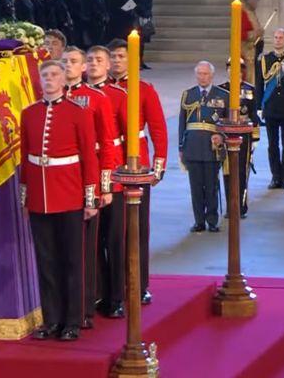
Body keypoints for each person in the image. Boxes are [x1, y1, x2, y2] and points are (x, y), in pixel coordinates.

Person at [20, 60, 99, 342]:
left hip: (69, 194)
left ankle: (72, 321)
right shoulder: (28, 113)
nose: (50, 79)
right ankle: (51, 320)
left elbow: (89, 156)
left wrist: (90, 197)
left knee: (71, 261)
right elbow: (24, 158)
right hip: (40, 198)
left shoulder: (78, 112)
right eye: (45, 75)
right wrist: (26, 195)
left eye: (54, 75)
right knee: (46, 261)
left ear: (64, 80)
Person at [103, 38, 167, 306]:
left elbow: (158, 127)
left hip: (136, 165)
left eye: (121, 56)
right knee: (111, 231)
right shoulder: (100, 89)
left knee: (137, 229)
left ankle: (139, 285)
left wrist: (159, 163)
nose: (117, 61)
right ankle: (110, 287)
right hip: (107, 164)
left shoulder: (143, 89)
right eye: (113, 57)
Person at [62, 47, 118, 329]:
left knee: (88, 247)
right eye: (64, 61)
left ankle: (87, 303)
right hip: (61, 179)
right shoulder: (52, 99)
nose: (68, 66)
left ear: (83, 67)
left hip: (89, 175)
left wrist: (104, 186)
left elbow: (107, 143)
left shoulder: (97, 98)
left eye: (73, 62)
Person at [179, 61, 228, 232]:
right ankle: (199, 220)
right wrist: (181, 147)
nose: (202, 77)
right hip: (192, 146)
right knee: (196, 187)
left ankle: (212, 220)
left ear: (212, 75)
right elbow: (181, 124)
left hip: (211, 147)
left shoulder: (222, 95)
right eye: (199, 73)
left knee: (211, 186)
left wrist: (221, 137)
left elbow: (227, 123)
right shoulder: (188, 95)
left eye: (205, 74)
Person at [256, 28, 284, 190]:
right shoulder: (265, 59)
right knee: (272, 145)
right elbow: (260, 85)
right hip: (271, 106)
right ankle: (275, 177)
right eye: (276, 37)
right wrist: (259, 106)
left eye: (281, 37)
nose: (278, 40)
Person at [218, 59, 260, 219]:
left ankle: (241, 205)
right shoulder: (221, 90)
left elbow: (254, 114)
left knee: (242, 172)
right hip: (226, 135)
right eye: (231, 68)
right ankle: (230, 205)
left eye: (238, 68)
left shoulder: (250, 90)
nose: (234, 71)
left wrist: (255, 139)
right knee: (228, 172)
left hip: (245, 136)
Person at [128, 0, 153, 69]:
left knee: (143, 39)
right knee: (135, 38)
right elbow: (131, 0)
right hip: (136, 14)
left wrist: (148, 10)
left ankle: (141, 60)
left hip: (146, 13)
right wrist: (140, 10)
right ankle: (135, 61)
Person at [240, 0, 263, 85]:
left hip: (254, 48)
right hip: (246, 50)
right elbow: (241, 33)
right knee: (248, 75)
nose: (255, 2)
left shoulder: (251, 11)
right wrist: (256, 33)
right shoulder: (242, 12)